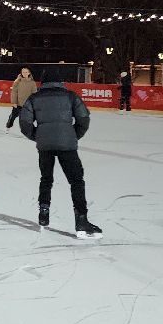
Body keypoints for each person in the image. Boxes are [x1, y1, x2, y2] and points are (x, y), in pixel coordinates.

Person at [18, 75, 102, 238]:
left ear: (42, 83)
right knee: (76, 181)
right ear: (61, 83)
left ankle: (43, 214)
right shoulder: (70, 96)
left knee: (46, 179)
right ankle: (81, 221)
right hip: (67, 145)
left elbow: (25, 122)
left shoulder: (34, 98)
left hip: (44, 146)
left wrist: (39, 136)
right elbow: (83, 118)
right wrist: (73, 135)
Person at [5, 66, 38, 133]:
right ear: (21, 73)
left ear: (29, 73)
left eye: (26, 72)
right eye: (23, 72)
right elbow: (14, 92)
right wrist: (14, 102)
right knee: (12, 117)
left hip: (28, 105)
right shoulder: (17, 81)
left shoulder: (32, 83)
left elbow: (34, 94)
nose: (25, 73)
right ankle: (8, 126)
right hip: (18, 104)